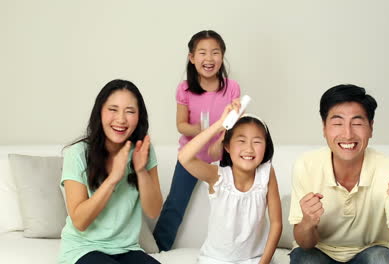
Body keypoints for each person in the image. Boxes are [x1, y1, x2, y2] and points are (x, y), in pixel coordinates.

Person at [289, 84, 389, 264]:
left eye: (357, 123)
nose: (348, 134)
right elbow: (305, 243)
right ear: (324, 128)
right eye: (337, 123)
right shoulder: (306, 165)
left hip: (369, 250)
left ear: (371, 127)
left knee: (381, 259)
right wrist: (307, 222)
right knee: (305, 258)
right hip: (319, 250)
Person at [59, 79, 163, 264]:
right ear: (100, 112)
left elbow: (154, 211)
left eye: (130, 111)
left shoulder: (143, 151)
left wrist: (140, 171)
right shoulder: (77, 154)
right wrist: (113, 179)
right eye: (113, 109)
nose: (121, 119)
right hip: (84, 249)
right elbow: (80, 222)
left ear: (139, 117)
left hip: (127, 249)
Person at [154, 30, 241, 251]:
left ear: (222, 57)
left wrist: (220, 141)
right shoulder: (184, 89)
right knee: (175, 204)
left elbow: (234, 123)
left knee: (233, 206)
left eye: (215, 52)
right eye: (202, 53)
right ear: (192, 58)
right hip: (190, 157)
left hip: (223, 158)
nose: (209, 59)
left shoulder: (232, 88)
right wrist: (200, 131)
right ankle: (158, 249)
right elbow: (181, 125)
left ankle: (232, 249)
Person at [178, 103, 282, 264]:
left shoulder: (266, 174)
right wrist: (220, 125)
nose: (249, 148)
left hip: (256, 260)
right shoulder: (217, 175)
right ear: (227, 146)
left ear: (266, 146)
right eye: (241, 141)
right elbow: (184, 158)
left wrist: (263, 262)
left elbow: (276, 224)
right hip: (215, 260)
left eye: (257, 141)